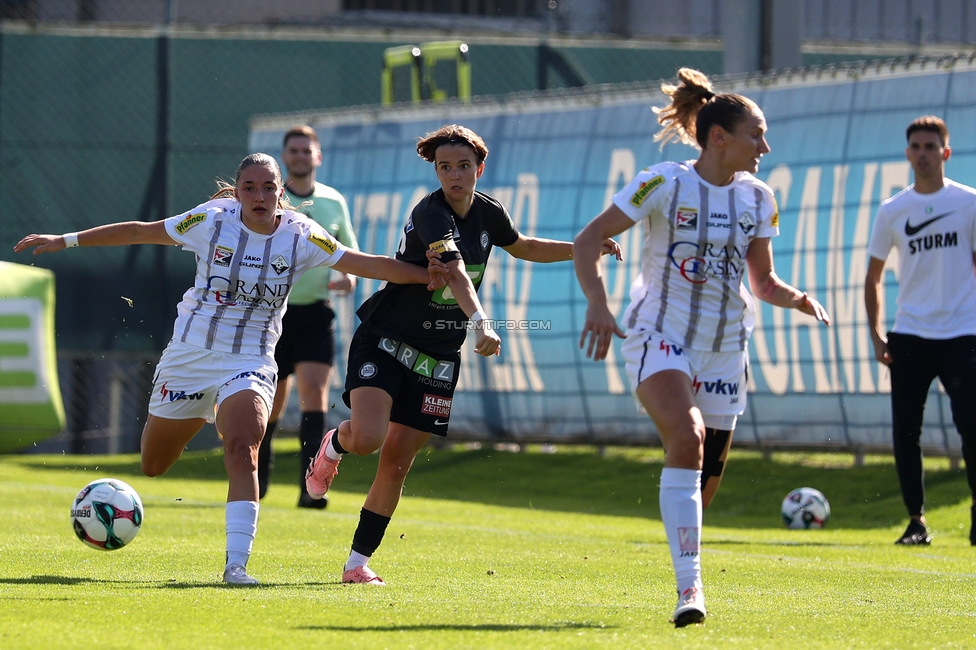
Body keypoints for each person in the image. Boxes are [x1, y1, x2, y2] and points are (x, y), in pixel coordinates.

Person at [13, 153, 448, 586]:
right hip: (190, 356)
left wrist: (428, 274)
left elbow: (366, 263)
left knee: (243, 448)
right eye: (249, 188)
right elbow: (141, 231)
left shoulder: (301, 234)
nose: (259, 197)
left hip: (250, 360)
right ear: (237, 192)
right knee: (153, 464)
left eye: (268, 188)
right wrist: (66, 240)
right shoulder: (211, 220)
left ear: (281, 192)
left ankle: (236, 566)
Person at [304, 123, 622, 586]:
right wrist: (483, 322)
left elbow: (524, 246)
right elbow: (455, 273)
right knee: (368, 438)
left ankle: (356, 564)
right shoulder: (431, 214)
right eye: (445, 167)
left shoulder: (490, 212)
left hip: (438, 354)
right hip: (387, 338)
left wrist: (583, 247)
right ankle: (334, 445)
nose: (454, 175)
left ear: (480, 169)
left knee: (397, 461)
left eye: (463, 166)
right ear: (435, 171)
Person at [573, 68, 830, 627]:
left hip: (726, 349)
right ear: (719, 137)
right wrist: (598, 302)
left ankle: (682, 566)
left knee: (702, 487)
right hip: (659, 336)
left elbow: (762, 282)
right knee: (686, 437)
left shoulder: (759, 198)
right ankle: (691, 591)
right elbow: (588, 239)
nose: (765, 147)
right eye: (756, 135)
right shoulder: (662, 183)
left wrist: (798, 299)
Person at [864, 115, 976, 547]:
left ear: (945, 153)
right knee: (906, 432)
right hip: (910, 334)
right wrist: (877, 334)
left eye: (931, 147)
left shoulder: (968, 202)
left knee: (971, 425)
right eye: (916, 147)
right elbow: (873, 277)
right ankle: (916, 521)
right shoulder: (893, 210)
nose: (923, 154)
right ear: (907, 153)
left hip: (962, 333)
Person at [257, 125, 360, 510]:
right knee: (270, 402)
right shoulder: (271, 199)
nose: (300, 156)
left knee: (315, 394)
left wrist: (348, 277)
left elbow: (349, 251)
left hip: (315, 313)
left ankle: (311, 488)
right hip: (270, 313)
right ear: (284, 157)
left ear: (317, 156)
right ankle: (256, 480)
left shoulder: (333, 201)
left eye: (306, 150)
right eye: (294, 150)